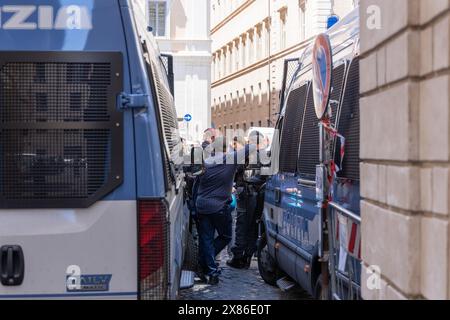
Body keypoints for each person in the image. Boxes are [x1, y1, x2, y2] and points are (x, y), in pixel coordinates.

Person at [195, 136, 254, 285]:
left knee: (206, 238)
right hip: (220, 207)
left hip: (202, 205)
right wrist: (249, 142)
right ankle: (207, 265)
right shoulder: (231, 159)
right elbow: (250, 148)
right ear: (226, 147)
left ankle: (207, 266)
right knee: (226, 236)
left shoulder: (204, 161)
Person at [227, 131, 269, 269]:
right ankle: (247, 257)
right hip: (258, 195)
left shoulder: (246, 155)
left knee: (241, 224)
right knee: (252, 226)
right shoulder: (265, 156)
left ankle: (238, 256)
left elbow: (234, 170)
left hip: (245, 193)